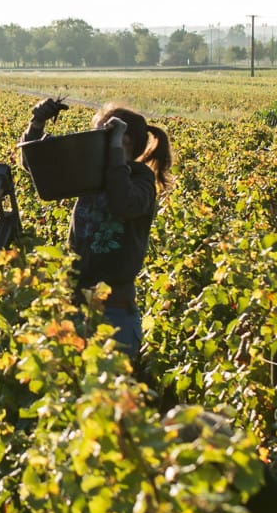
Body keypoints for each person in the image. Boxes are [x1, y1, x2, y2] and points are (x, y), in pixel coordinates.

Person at [20, 98, 172, 359]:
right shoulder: (90, 174)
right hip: (75, 308)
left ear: (127, 142)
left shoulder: (141, 179)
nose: (95, 142)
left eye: (104, 136)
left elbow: (124, 203)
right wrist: (37, 123)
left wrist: (114, 150)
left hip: (114, 314)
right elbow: (38, 166)